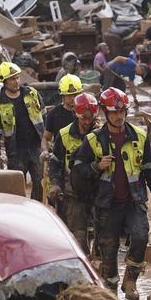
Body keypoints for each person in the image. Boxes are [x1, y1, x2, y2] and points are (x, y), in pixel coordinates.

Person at [72, 87, 151, 300]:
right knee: (108, 250)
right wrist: (96, 167)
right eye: (114, 112)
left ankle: (131, 280)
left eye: (122, 111)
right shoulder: (93, 140)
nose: (118, 116)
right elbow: (77, 171)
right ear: (105, 113)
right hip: (106, 204)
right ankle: (112, 294)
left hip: (134, 200)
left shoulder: (140, 137)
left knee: (141, 236)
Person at [48, 92, 101, 255]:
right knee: (77, 236)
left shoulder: (103, 134)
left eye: (89, 118)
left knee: (102, 236)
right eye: (82, 118)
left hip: (99, 191)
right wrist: (55, 184)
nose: (86, 122)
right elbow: (56, 162)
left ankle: (101, 270)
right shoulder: (64, 135)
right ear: (75, 115)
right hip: (73, 193)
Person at [0, 61, 46, 201]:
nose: (16, 81)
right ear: (4, 82)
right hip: (16, 152)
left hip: (36, 147)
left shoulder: (32, 94)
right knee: (16, 188)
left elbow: (45, 118)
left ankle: (36, 210)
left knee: (40, 183)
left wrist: (48, 143)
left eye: (17, 77)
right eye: (12, 79)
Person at [42, 74, 83, 155]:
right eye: (69, 95)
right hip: (60, 157)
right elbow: (46, 138)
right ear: (62, 95)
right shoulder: (54, 114)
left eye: (75, 94)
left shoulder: (86, 113)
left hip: (82, 155)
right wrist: (45, 151)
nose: (72, 98)